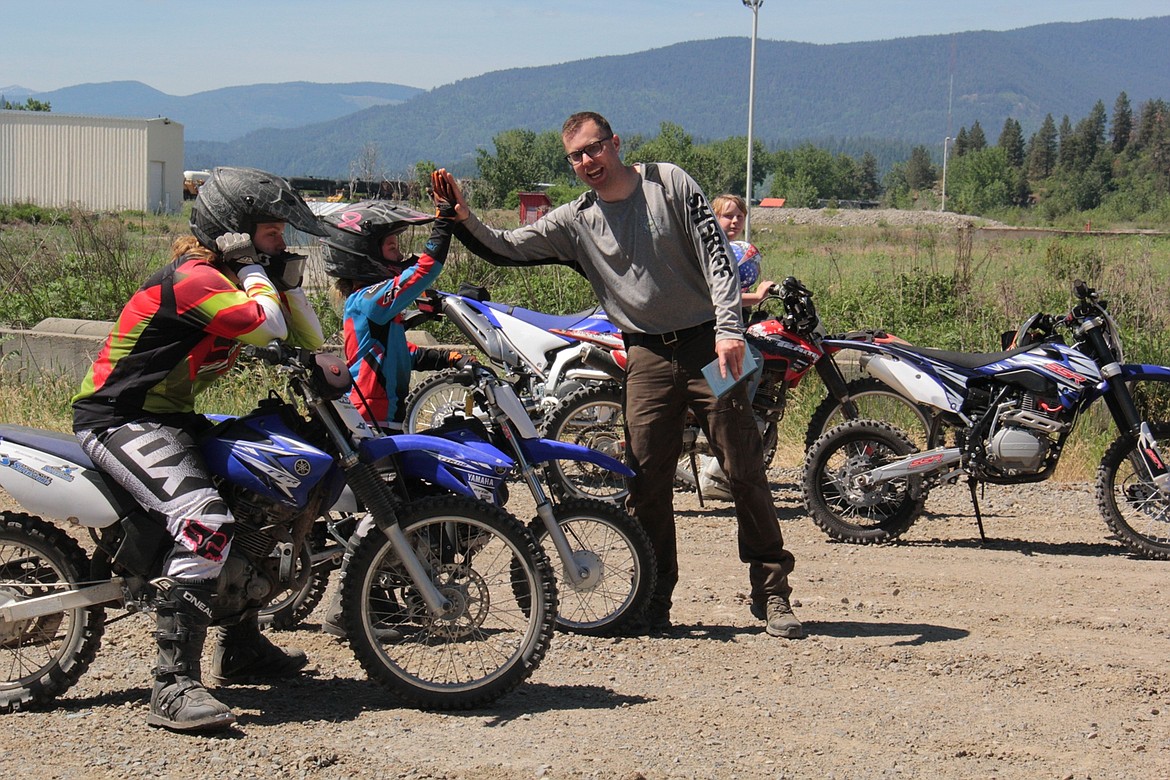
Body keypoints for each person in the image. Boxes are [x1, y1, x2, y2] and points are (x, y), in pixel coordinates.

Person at [433, 111, 803, 639]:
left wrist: (729, 329)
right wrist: (463, 216)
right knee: (646, 480)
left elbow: (718, 257)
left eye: (594, 149)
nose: (588, 162)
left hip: (709, 346)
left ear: (616, 144)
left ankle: (772, 594)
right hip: (647, 357)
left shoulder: (668, 183)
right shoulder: (575, 221)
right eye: (577, 156)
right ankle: (653, 599)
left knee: (743, 463)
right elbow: (506, 247)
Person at [71, 166, 327, 732]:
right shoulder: (197, 280)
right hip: (119, 418)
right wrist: (259, 272)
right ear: (233, 231)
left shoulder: (231, 277)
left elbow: (304, 337)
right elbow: (266, 328)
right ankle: (171, 685)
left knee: (258, 497)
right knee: (205, 519)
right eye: (272, 231)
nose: (283, 241)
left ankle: (240, 646)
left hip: (174, 418)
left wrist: (283, 278)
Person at [314, 196, 469, 636]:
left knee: (393, 511)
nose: (398, 255)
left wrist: (443, 356)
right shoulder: (368, 301)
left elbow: (397, 353)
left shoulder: (376, 310)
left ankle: (373, 601)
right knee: (382, 515)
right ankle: (345, 611)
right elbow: (424, 271)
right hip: (370, 422)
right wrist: (442, 226)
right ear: (361, 254)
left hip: (386, 418)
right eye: (389, 247)